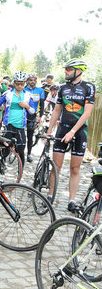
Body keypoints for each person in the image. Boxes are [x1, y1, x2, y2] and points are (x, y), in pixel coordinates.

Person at [46, 59, 96, 211]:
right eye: (65, 69)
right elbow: (56, 110)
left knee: (75, 169)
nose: (65, 71)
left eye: (69, 69)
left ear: (78, 71)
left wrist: (73, 131)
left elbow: (87, 112)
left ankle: (71, 201)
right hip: (63, 129)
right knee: (56, 167)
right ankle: (49, 196)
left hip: (80, 131)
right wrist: (49, 131)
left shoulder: (89, 87)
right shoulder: (62, 87)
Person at [0, 71, 35, 166]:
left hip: (21, 126)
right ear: (14, 83)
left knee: (21, 150)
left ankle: (20, 174)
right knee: (5, 150)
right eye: (18, 83)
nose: (20, 86)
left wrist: (27, 106)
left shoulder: (28, 95)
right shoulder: (8, 93)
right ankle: (1, 169)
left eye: (22, 83)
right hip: (9, 125)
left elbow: (33, 111)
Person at [24, 73, 45, 162]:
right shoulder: (23, 89)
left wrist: (40, 115)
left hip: (33, 115)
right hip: (22, 114)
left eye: (34, 80)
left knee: (30, 136)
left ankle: (29, 154)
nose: (32, 82)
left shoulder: (40, 90)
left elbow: (42, 104)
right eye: (31, 80)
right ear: (27, 81)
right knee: (19, 135)